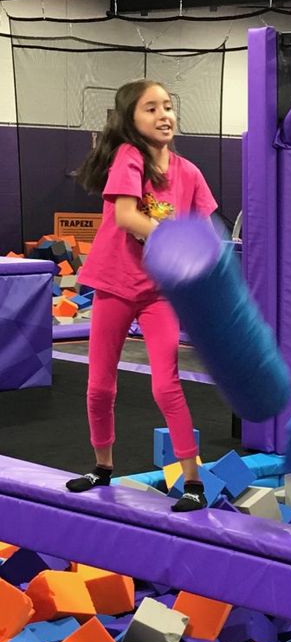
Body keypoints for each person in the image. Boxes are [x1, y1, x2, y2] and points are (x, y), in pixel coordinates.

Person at [66, 79, 217, 511]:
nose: (163, 115)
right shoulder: (128, 158)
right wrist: (174, 239)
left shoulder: (189, 173)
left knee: (167, 384)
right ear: (131, 120)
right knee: (99, 386)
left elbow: (204, 234)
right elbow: (130, 216)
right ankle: (103, 465)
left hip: (158, 293)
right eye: (150, 109)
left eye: (168, 106)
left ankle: (192, 482)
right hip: (116, 283)